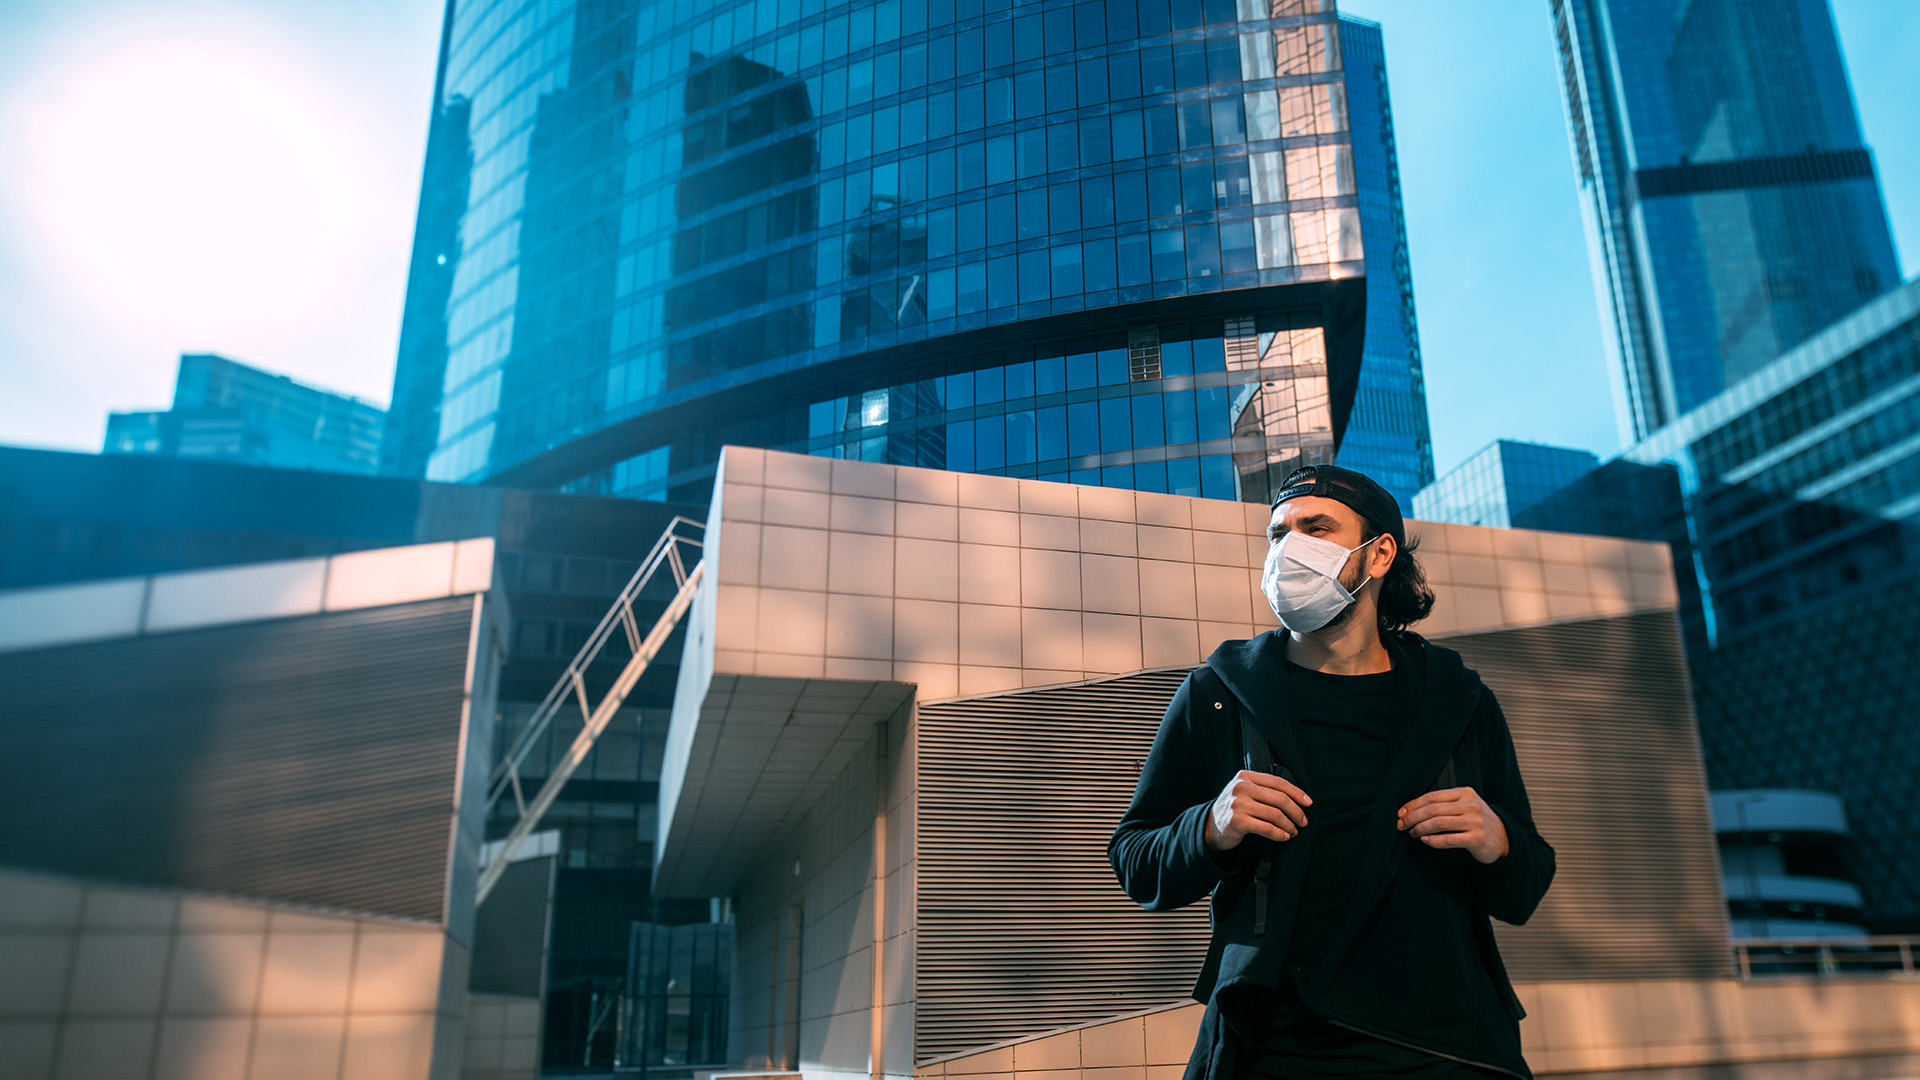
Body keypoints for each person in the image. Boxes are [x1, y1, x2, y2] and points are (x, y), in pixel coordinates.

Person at [1109, 464, 1555, 1080]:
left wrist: (1498, 838)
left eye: (1316, 528)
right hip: (1272, 1047)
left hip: (1446, 1047)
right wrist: (1209, 828)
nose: (1289, 548)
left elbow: (1526, 886)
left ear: (1379, 555)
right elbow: (1136, 861)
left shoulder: (1460, 700)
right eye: (1277, 533)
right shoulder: (1217, 694)